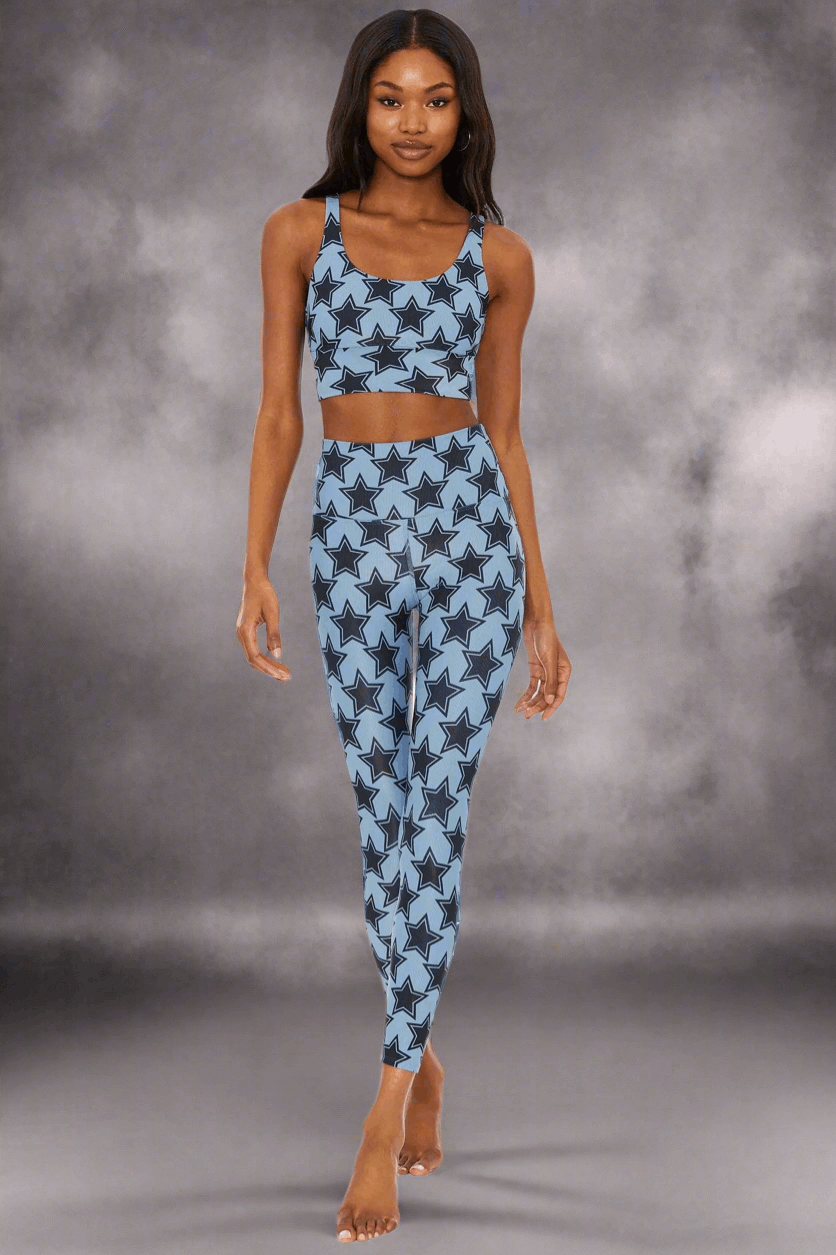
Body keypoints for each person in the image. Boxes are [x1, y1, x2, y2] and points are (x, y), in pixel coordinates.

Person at [236, 8, 571, 1243]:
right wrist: (254, 566)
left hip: (467, 528)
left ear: (464, 112)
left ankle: (383, 1102)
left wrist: (540, 601)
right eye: (390, 99)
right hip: (352, 532)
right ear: (359, 108)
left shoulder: (499, 257)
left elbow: (506, 433)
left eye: (436, 99)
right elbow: (280, 412)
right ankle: (423, 1047)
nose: (413, 122)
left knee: (438, 805)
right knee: (381, 814)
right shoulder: (299, 232)